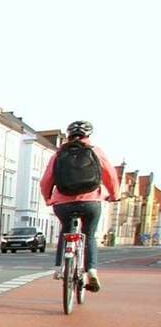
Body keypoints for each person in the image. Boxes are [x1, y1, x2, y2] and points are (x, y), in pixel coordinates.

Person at [39, 121, 119, 291]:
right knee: (88, 235)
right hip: (91, 202)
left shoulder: (59, 155)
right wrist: (114, 196)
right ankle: (91, 272)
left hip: (63, 203)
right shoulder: (95, 152)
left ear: (68, 136)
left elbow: (46, 181)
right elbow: (110, 176)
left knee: (65, 231)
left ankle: (59, 268)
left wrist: (48, 198)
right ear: (88, 136)